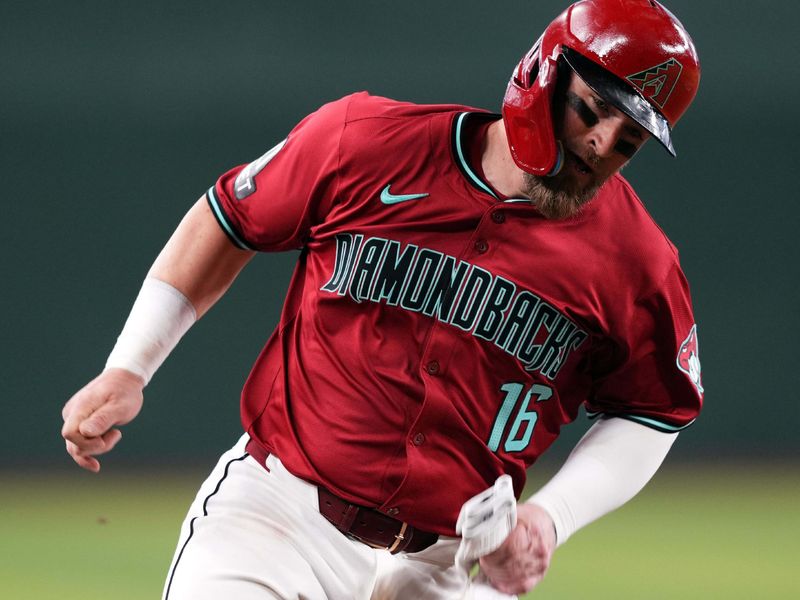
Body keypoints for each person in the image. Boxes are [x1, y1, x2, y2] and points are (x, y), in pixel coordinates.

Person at [61, 1, 704, 598]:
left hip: (445, 566)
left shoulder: (637, 261)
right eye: (593, 109)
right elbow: (227, 219)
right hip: (279, 519)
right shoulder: (365, 142)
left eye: (629, 138)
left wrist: (549, 519)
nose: (601, 145)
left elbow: (654, 411)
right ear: (543, 72)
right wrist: (129, 365)